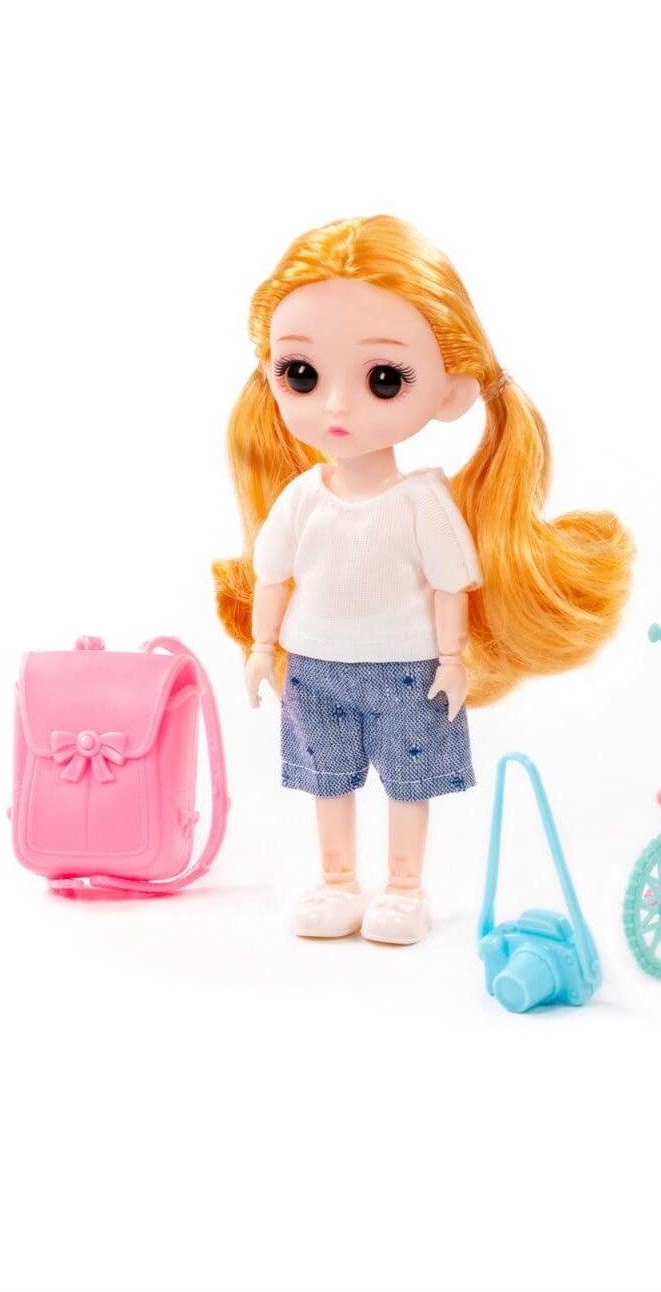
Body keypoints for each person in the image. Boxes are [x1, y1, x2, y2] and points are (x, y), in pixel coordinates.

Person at [214, 215, 632, 944]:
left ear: (450, 393)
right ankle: (338, 880)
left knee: (410, 784)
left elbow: (449, 588)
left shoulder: (420, 502)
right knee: (326, 780)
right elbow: (273, 577)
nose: (336, 405)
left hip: (408, 670)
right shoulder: (303, 498)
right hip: (312, 668)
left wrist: (451, 660)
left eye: (384, 379)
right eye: (301, 373)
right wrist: (260, 649)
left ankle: (405, 887)